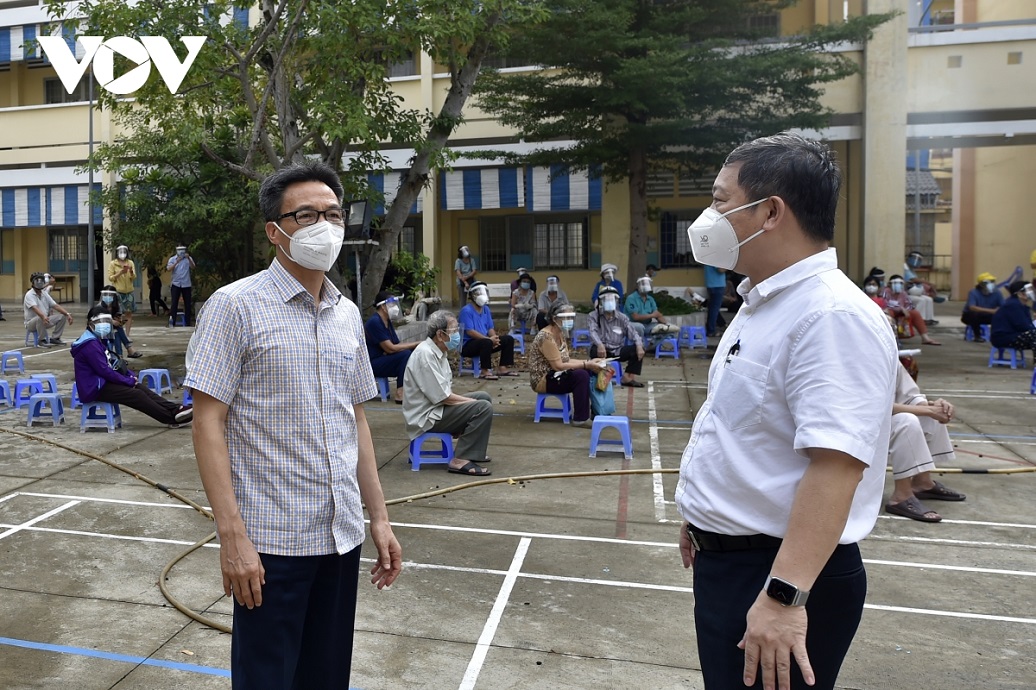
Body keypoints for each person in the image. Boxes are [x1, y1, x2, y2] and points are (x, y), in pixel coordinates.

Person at [676, 133, 897, 690]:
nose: (711, 216)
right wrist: (704, 519)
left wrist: (783, 597)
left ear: (770, 212)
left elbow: (837, 465)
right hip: (732, 562)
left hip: (779, 576)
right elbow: (745, 430)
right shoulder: (765, 303)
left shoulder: (830, 316)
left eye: (722, 201)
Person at [185, 162, 402, 688]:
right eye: (306, 215)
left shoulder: (347, 313)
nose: (322, 226)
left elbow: (355, 420)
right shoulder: (235, 306)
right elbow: (207, 422)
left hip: (340, 533)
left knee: (325, 677)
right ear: (275, 230)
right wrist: (232, 537)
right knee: (267, 679)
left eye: (332, 214)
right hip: (271, 542)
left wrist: (378, 517)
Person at [403, 310, 494, 476]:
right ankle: (460, 459)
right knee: (482, 407)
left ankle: (474, 450)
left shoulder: (439, 352)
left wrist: (468, 405)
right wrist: (471, 405)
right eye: (453, 331)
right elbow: (443, 397)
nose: (457, 335)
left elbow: (444, 393)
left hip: (436, 408)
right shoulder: (425, 355)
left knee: (484, 398)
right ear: (440, 334)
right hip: (427, 415)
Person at [71, 304, 192, 427]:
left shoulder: (97, 340)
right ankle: (171, 418)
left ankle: (176, 409)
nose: (105, 325)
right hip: (94, 388)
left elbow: (112, 362)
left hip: (102, 383)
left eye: (107, 321)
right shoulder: (89, 345)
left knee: (138, 386)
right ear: (90, 323)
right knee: (135, 394)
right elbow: (105, 371)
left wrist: (129, 376)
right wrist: (126, 381)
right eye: (100, 321)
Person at [885, 362, 965, 523]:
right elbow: (872, 403)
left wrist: (933, 406)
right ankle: (901, 496)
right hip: (857, 423)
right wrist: (928, 410)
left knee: (930, 416)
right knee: (906, 421)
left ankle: (923, 483)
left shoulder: (885, 348)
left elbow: (908, 395)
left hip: (880, 419)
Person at [528, 301, 607, 428]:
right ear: (555, 318)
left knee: (590, 371)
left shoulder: (560, 333)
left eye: (571, 317)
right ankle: (581, 419)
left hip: (555, 374)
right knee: (581, 375)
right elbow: (558, 365)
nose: (569, 320)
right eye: (566, 317)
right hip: (543, 379)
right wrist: (586, 365)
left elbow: (566, 360)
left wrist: (589, 363)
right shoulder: (546, 337)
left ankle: (598, 411)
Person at [365, 290, 419, 404]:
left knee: (410, 354)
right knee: (405, 354)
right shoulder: (375, 322)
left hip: (383, 359)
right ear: (383, 307)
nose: (395, 308)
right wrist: (415, 343)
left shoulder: (387, 322)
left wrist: (412, 347)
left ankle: (409, 390)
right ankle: (400, 393)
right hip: (372, 364)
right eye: (392, 305)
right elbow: (390, 348)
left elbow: (396, 345)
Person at [587, 284, 645, 387]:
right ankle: (599, 375)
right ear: (601, 302)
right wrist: (600, 345)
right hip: (601, 350)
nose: (609, 302)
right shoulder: (593, 316)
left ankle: (626, 377)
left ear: (617, 301)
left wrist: (639, 345)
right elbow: (592, 332)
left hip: (617, 350)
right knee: (595, 350)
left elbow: (633, 333)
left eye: (612, 299)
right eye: (606, 299)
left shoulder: (622, 318)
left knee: (637, 349)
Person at [459, 281, 518, 380]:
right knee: (486, 342)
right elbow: (470, 332)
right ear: (472, 296)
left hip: (484, 341)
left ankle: (502, 368)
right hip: (468, 345)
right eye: (478, 293)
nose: (481, 295)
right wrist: (489, 340)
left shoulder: (486, 309)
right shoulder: (466, 310)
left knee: (508, 339)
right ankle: (484, 371)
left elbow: (490, 327)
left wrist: (494, 338)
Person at [880, 274, 940, 345]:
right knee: (889, 313)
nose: (898, 285)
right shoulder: (886, 291)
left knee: (915, 313)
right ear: (890, 284)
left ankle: (925, 338)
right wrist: (900, 308)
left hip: (901, 312)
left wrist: (906, 310)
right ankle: (891, 338)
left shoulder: (903, 293)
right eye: (895, 283)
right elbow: (885, 304)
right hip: (890, 311)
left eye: (900, 283)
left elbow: (909, 304)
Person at [23, 271, 73, 346]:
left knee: (62, 317)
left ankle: (55, 338)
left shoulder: (44, 293)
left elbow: (55, 305)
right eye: (37, 280)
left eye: (41, 280)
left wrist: (67, 314)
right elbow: (35, 308)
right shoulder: (29, 294)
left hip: (45, 320)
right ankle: (41, 340)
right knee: (39, 317)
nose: (39, 283)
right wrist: (43, 316)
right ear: (33, 282)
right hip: (31, 323)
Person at [623, 276, 675, 345]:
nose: (646, 286)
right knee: (639, 327)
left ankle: (651, 346)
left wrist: (666, 324)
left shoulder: (650, 299)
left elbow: (657, 314)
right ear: (637, 286)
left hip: (647, 325)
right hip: (631, 324)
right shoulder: (631, 298)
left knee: (667, 330)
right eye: (643, 284)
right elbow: (635, 317)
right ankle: (640, 346)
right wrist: (652, 315)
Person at [990, 280, 1036, 352]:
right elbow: (1022, 325)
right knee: (1034, 335)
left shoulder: (1022, 306)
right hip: (1004, 337)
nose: (1032, 292)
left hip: (1015, 335)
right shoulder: (1013, 305)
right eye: (1029, 290)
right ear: (1020, 294)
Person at [100, 286, 143, 358]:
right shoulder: (100, 306)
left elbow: (119, 317)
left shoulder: (117, 306)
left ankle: (120, 356)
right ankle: (126, 351)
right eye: (106, 295)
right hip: (103, 329)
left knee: (117, 330)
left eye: (110, 295)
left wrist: (119, 321)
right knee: (117, 331)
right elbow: (98, 319)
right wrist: (111, 321)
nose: (108, 297)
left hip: (114, 329)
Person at [961, 272, 1005, 339]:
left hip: (988, 316)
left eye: (992, 282)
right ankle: (977, 336)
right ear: (982, 284)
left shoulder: (997, 293)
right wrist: (991, 311)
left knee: (1003, 316)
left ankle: (997, 335)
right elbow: (972, 307)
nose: (992, 284)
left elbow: (1003, 306)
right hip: (971, 316)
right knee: (973, 314)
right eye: (989, 282)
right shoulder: (973, 292)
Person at [107, 244, 137, 337]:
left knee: (128, 314)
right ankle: (119, 333)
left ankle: (127, 335)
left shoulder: (130, 262)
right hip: (118, 292)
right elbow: (110, 278)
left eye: (124, 252)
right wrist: (120, 273)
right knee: (118, 314)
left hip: (129, 292)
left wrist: (131, 271)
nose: (122, 254)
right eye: (121, 252)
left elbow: (134, 277)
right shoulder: (113, 263)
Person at [166, 244, 196, 326]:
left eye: (183, 250)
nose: (181, 251)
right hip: (176, 283)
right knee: (174, 303)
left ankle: (188, 322)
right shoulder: (172, 259)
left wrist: (189, 258)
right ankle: (173, 321)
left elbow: (193, 267)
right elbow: (168, 269)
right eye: (179, 250)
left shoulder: (188, 259)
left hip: (186, 284)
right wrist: (176, 262)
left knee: (188, 303)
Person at [703, 264, 727, 337]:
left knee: (712, 308)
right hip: (718, 285)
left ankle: (720, 324)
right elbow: (721, 269)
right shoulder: (716, 257)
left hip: (710, 284)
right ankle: (711, 330)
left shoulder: (708, 256)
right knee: (714, 309)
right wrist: (730, 266)